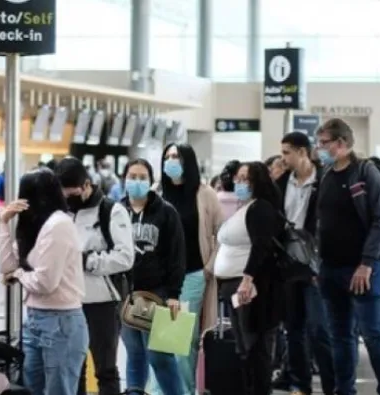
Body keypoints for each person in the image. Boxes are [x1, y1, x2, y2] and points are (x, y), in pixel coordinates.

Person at [314, 119, 380, 395]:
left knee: (373, 335)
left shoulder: (365, 173)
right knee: (340, 337)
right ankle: (344, 390)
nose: (319, 148)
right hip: (331, 269)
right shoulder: (326, 174)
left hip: (362, 269)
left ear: (341, 143)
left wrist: (367, 263)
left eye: (324, 143)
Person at [0, 169, 88, 395]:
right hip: (35, 319)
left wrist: (19, 274)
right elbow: (7, 266)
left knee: (59, 390)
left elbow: (45, 282)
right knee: (31, 389)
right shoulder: (35, 226)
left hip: (61, 321)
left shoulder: (58, 224)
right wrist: (3, 223)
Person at [54, 158, 134, 395]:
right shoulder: (62, 212)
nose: (68, 200)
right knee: (74, 369)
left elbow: (125, 257)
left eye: (72, 194)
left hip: (103, 303)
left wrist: (87, 261)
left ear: (86, 185)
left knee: (105, 369)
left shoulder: (112, 211)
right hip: (69, 302)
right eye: (64, 195)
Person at [215, 161, 284, 395]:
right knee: (244, 348)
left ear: (257, 182)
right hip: (234, 287)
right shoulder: (246, 207)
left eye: (245, 179)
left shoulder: (261, 208)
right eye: (238, 178)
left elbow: (260, 246)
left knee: (255, 347)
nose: (239, 183)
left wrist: (247, 279)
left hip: (250, 288)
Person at [118, 158, 187, 395]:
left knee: (159, 355)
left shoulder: (166, 212)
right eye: (132, 176)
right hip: (126, 294)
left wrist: (174, 293)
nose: (137, 181)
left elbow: (177, 255)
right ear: (124, 179)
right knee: (134, 352)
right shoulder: (117, 211)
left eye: (142, 177)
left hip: (155, 293)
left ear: (150, 181)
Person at [160, 143, 224, 393]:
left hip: (193, 274)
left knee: (182, 340)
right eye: (167, 156)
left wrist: (209, 267)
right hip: (161, 279)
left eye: (176, 156)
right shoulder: (158, 192)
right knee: (162, 341)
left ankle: (184, 390)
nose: (171, 161)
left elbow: (221, 233)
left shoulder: (205, 194)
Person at [276, 131, 334, 395]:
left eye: (287, 152)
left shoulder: (324, 181)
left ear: (302, 152)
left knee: (319, 328)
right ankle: (300, 385)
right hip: (289, 265)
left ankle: (332, 386)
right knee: (293, 328)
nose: (283, 158)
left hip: (315, 265)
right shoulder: (281, 184)